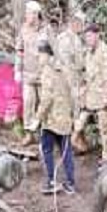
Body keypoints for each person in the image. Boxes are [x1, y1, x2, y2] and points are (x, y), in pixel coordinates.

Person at [34, 41, 77, 194]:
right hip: (65, 119)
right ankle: (71, 183)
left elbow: (46, 99)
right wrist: (73, 115)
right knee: (66, 152)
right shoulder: (63, 69)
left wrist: (37, 118)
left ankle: (51, 181)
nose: (38, 58)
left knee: (46, 149)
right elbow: (72, 93)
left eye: (39, 55)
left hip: (51, 120)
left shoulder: (46, 71)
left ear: (45, 55)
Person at [74, 23, 107, 160]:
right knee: (78, 125)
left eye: (90, 36)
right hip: (90, 96)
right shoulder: (88, 53)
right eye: (86, 36)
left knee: (106, 128)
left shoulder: (106, 52)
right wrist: (82, 93)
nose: (88, 39)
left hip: (102, 96)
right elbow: (86, 75)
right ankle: (81, 146)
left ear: (97, 35)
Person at [17, 1, 47, 134]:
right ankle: (29, 133)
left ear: (36, 14)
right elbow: (19, 50)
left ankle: (46, 134)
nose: (27, 16)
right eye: (27, 13)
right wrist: (17, 69)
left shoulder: (45, 30)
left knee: (45, 105)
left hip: (43, 74)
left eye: (30, 13)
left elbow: (53, 51)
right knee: (28, 103)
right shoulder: (23, 29)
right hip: (28, 74)